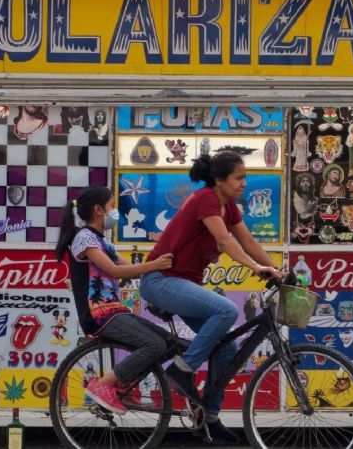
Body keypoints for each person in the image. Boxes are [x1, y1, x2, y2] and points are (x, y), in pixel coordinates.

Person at [140, 151, 281, 444]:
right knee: (227, 311)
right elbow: (225, 240)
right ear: (219, 180)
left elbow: (247, 240)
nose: (244, 183)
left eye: (245, 177)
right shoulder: (205, 198)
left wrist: (276, 270)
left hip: (180, 283)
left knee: (226, 347)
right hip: (161, 281)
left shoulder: (228, 206)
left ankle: (210, 417)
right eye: (238, 178)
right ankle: (181, 371)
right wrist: (256, 268)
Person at [55, 186, 174, 415]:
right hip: (98, 313)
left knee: (167, 343)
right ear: (99, 210)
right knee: (155, 344)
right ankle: (104, 385)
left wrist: (165, 273)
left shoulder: (104, 242)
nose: (115, 211)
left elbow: (131, 269)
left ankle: (120, 386)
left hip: (115, 311)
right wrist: (155, 264)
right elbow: (115, 270)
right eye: (112, 206)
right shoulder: (84, 238)